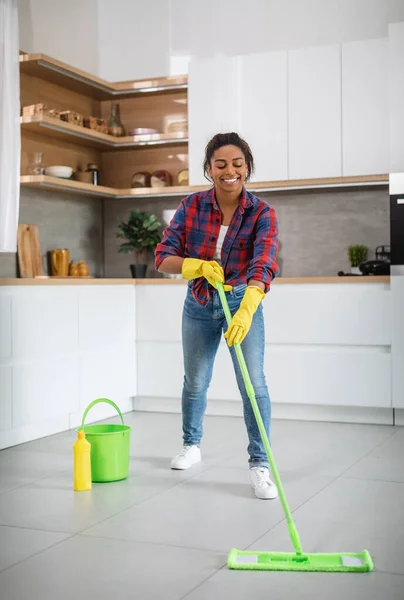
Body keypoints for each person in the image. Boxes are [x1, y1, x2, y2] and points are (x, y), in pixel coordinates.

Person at [154, 132, 279, 500]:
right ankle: (191, 445)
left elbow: (264, 262)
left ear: (247, 168)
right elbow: (163, 257)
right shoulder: (191, 205)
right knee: (195, 380)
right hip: (199, 304)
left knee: (252, 385)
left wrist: (249, 305)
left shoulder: (261, 212)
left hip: (242, 302)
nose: (229, 171)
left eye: (237, 164)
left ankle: (260, 465)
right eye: (220, 164)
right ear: (208, 169)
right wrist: (194, 266)